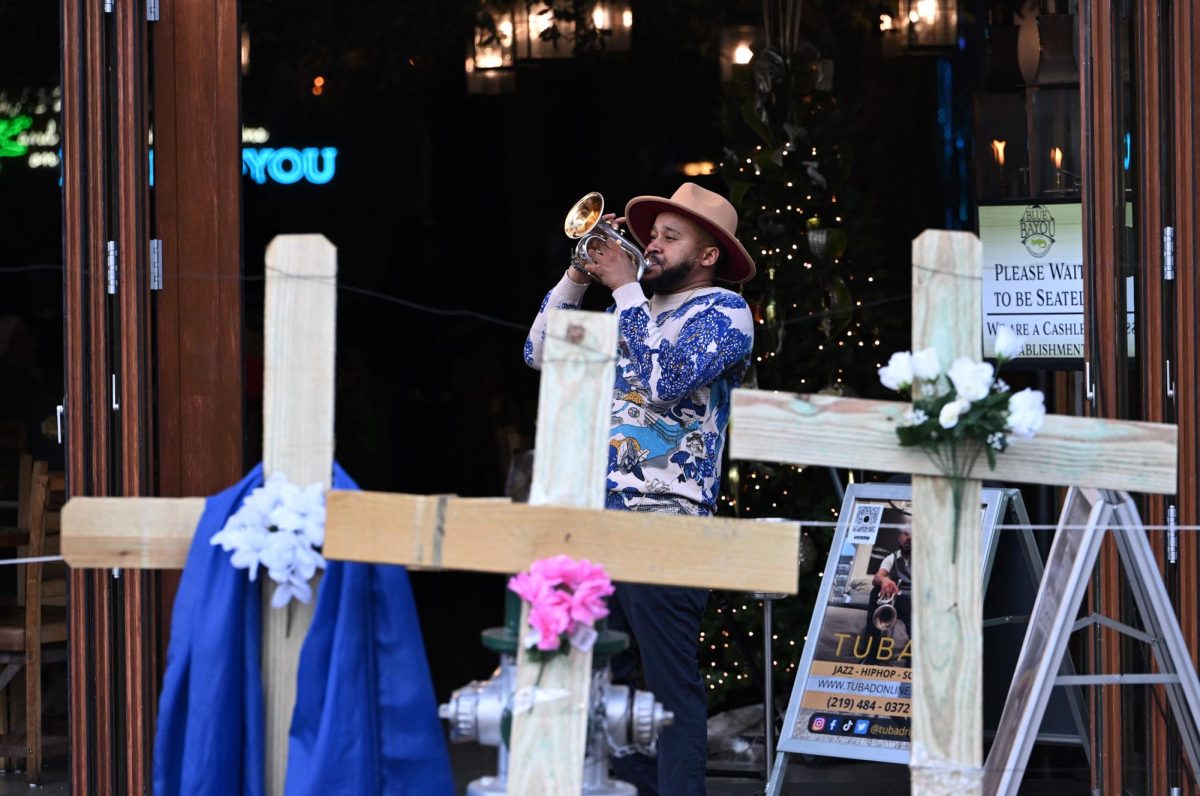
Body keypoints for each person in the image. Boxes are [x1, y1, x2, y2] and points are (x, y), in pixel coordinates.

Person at [523, 183, 756, 795]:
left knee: (670, 686)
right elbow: (540, 351)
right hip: (597, 518)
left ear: (708, 257)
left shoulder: (724, 314)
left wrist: (625, 286)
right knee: (607, 681)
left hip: (666, 524)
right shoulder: (626, 313)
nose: (651, 245)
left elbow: (663, 380)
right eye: (651, 234)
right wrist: (577, 276)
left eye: (669, 238)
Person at [863, 530, 912, 666]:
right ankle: (870, 658)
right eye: (906, 534)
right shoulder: (891, 558)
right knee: (876, 590)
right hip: (896, 597)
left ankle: (911, 666)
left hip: (913, 601)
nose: (910, 538)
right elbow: (877, 577)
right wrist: (884, 580)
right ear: (899, 538)